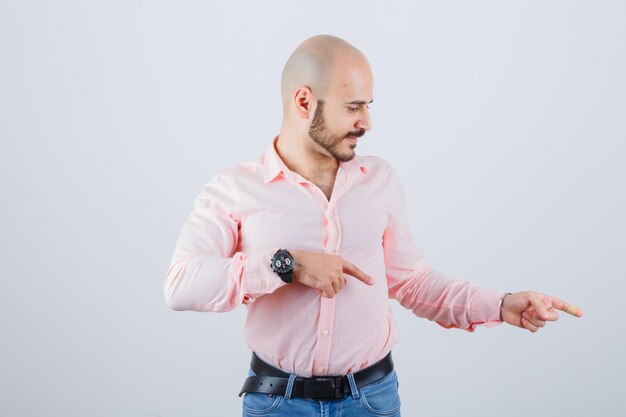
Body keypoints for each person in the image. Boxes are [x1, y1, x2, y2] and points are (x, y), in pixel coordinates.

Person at [163, 34, 583, 417]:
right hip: (277, 403)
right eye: (353, 107)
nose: (367, 122)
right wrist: (285, 264)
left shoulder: (379, 181)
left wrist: (499, 303)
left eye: (368, 105)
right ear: (305, 102)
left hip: (372, 400)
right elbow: (181, 285)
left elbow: (412, 282)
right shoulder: (235, 188)